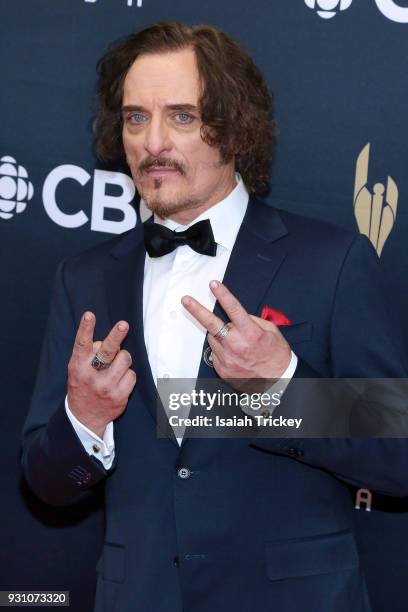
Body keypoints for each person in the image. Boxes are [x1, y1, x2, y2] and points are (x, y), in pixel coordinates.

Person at [21, 21, 408, 612]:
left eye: (181, 116)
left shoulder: (332, 261)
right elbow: (46, 484)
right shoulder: (85, 278)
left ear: (233, 130)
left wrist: (282, 388)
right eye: (134, 118)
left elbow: (399, 457)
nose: (152, 142)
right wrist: (85, 418)